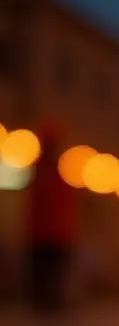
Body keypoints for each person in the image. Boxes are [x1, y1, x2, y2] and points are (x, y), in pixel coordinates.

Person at [27, 126, 78, 313]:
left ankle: (54, 302)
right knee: (44, 270)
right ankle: (43, 303)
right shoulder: (41, 170)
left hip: (59, 232)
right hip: (43, 232)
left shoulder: (61, 169)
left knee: (56, 270)